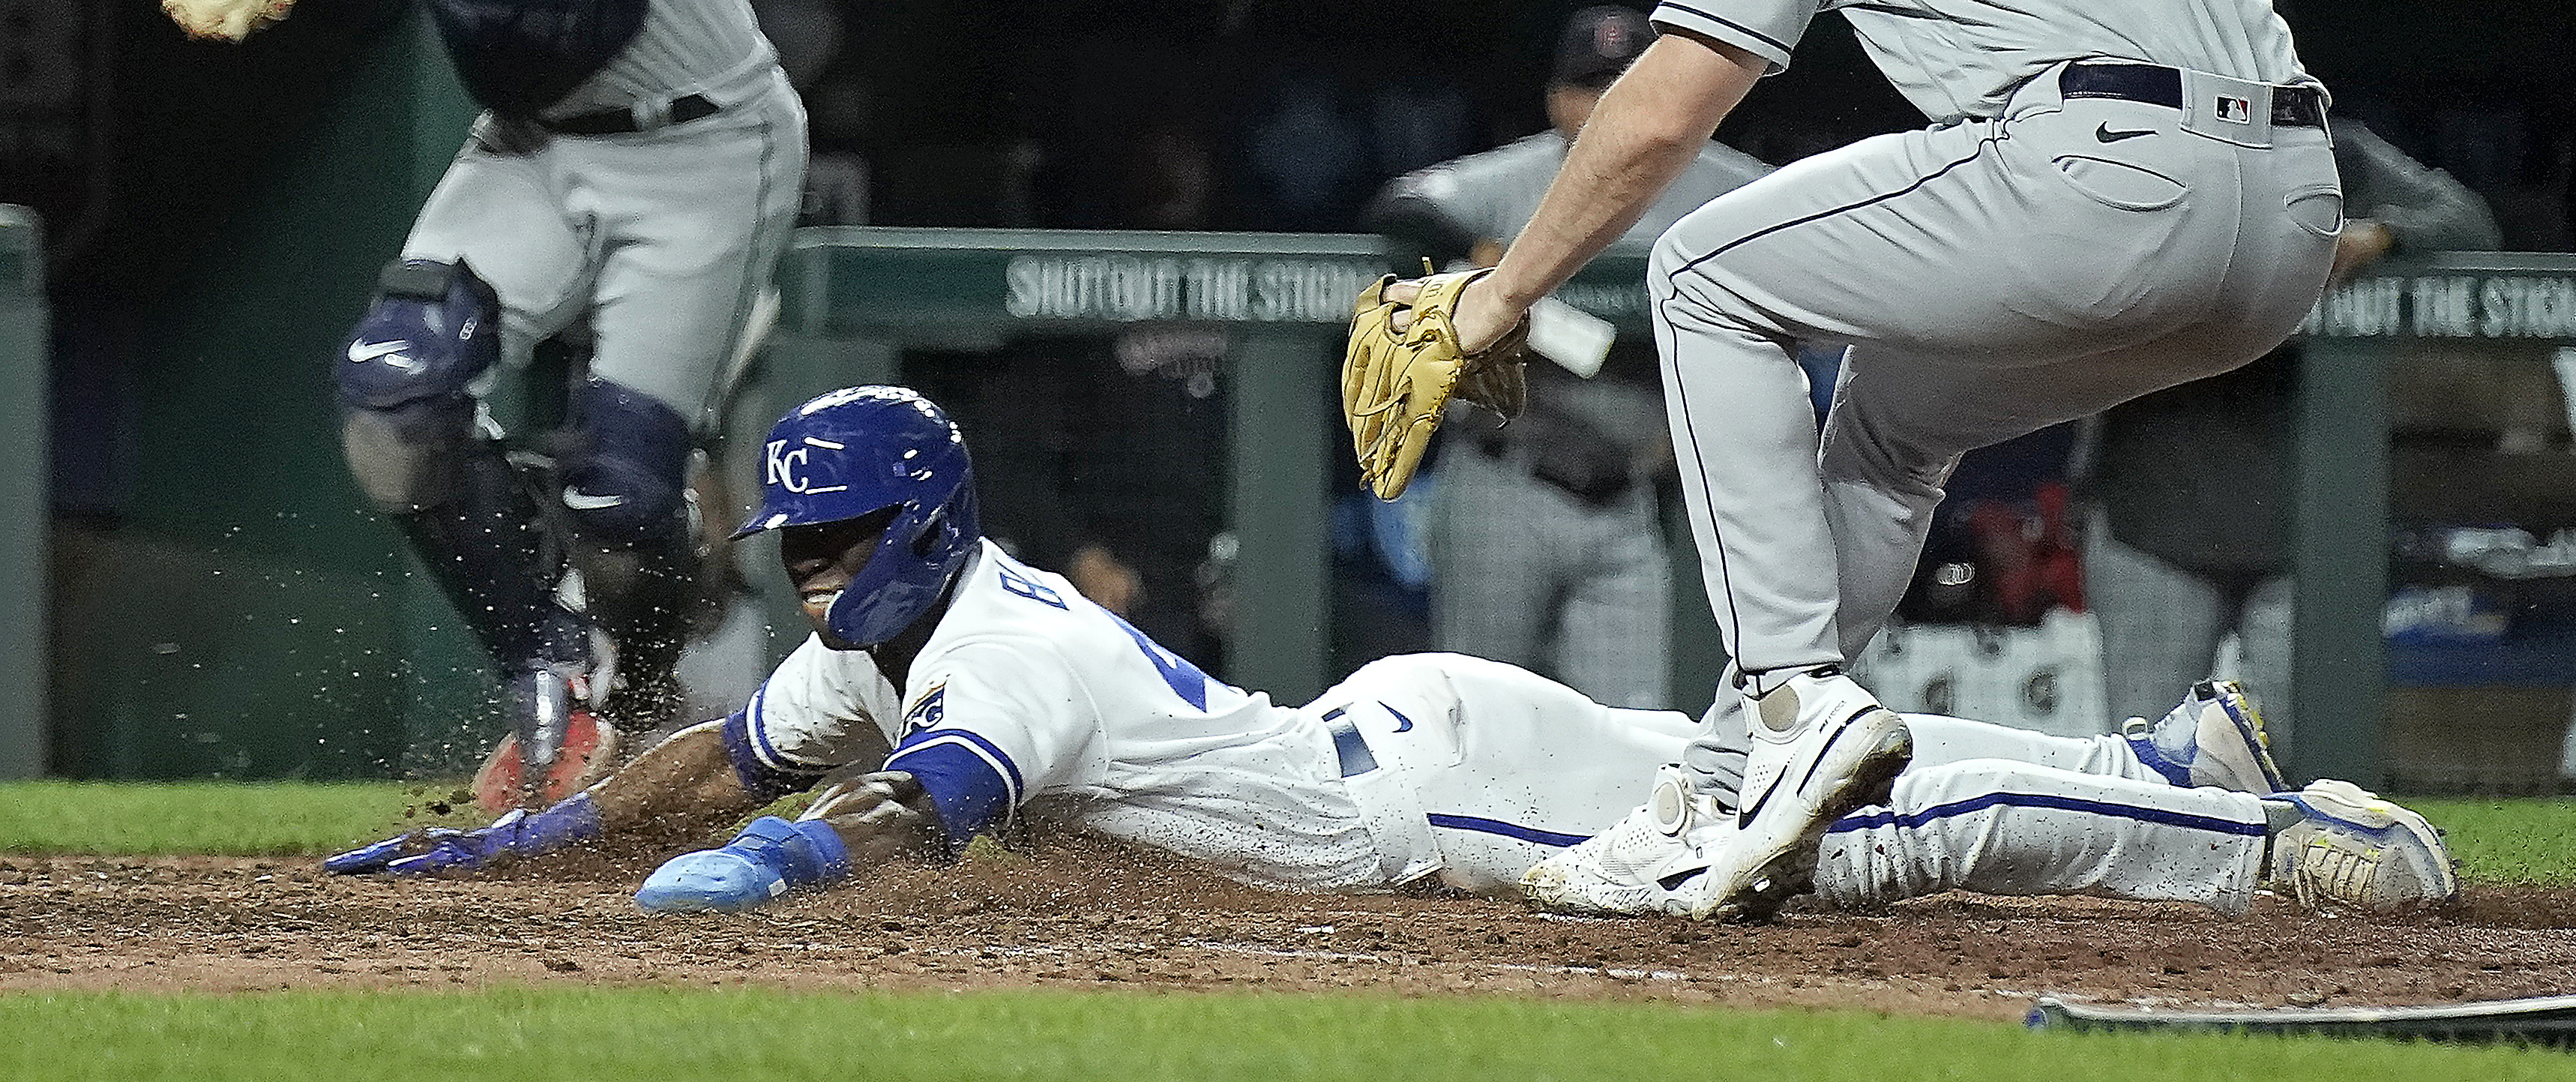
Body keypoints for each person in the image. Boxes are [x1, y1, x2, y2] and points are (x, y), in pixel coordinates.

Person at [1370, 0, 2341, 925]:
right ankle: (1723, 782)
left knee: (1703, 268)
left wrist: (1497, 292)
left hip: (2104, 167)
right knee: (1892, 416)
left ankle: (1786, 704)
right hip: (2290, 214)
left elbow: (1655, 116)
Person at [319, 385, 2456, 924]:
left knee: (1806, 848)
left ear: (925, 531)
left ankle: (2251, 839)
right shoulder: (897, 633)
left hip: (1418, 792)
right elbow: (730, 746)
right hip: (1410, 738)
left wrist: (783, 870)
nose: (805, 577)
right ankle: (2162, 748)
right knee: (1763, 765)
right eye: (793, 544)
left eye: (837, 541)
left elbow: (919, 807)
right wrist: (526, 851)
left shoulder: (1000, 649)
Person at [222, 0, 807, 814]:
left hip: (702, 148)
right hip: (534, 143)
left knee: (621, 504)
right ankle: (552, 678)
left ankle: (660, 695)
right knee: (392, 399)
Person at [1363, 8, 1770, 712]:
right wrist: (1482, 267)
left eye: (1631, 81)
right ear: (1556, 99)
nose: (1609, 102)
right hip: (1506, 481)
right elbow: (1403, 210)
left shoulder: (1724, 183)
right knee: (1477, 719)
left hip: (1626, 498)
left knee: (1633, 730)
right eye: (1591, 86)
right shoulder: (1523, 176)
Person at [2083, 115, 2497, 756]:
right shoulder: (2144, 149)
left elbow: (2469, 222)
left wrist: (2377, 236)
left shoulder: (2328, 149)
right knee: (2144, 767)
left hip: (2301, 531)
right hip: (2157, 513)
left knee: (2308, 766)